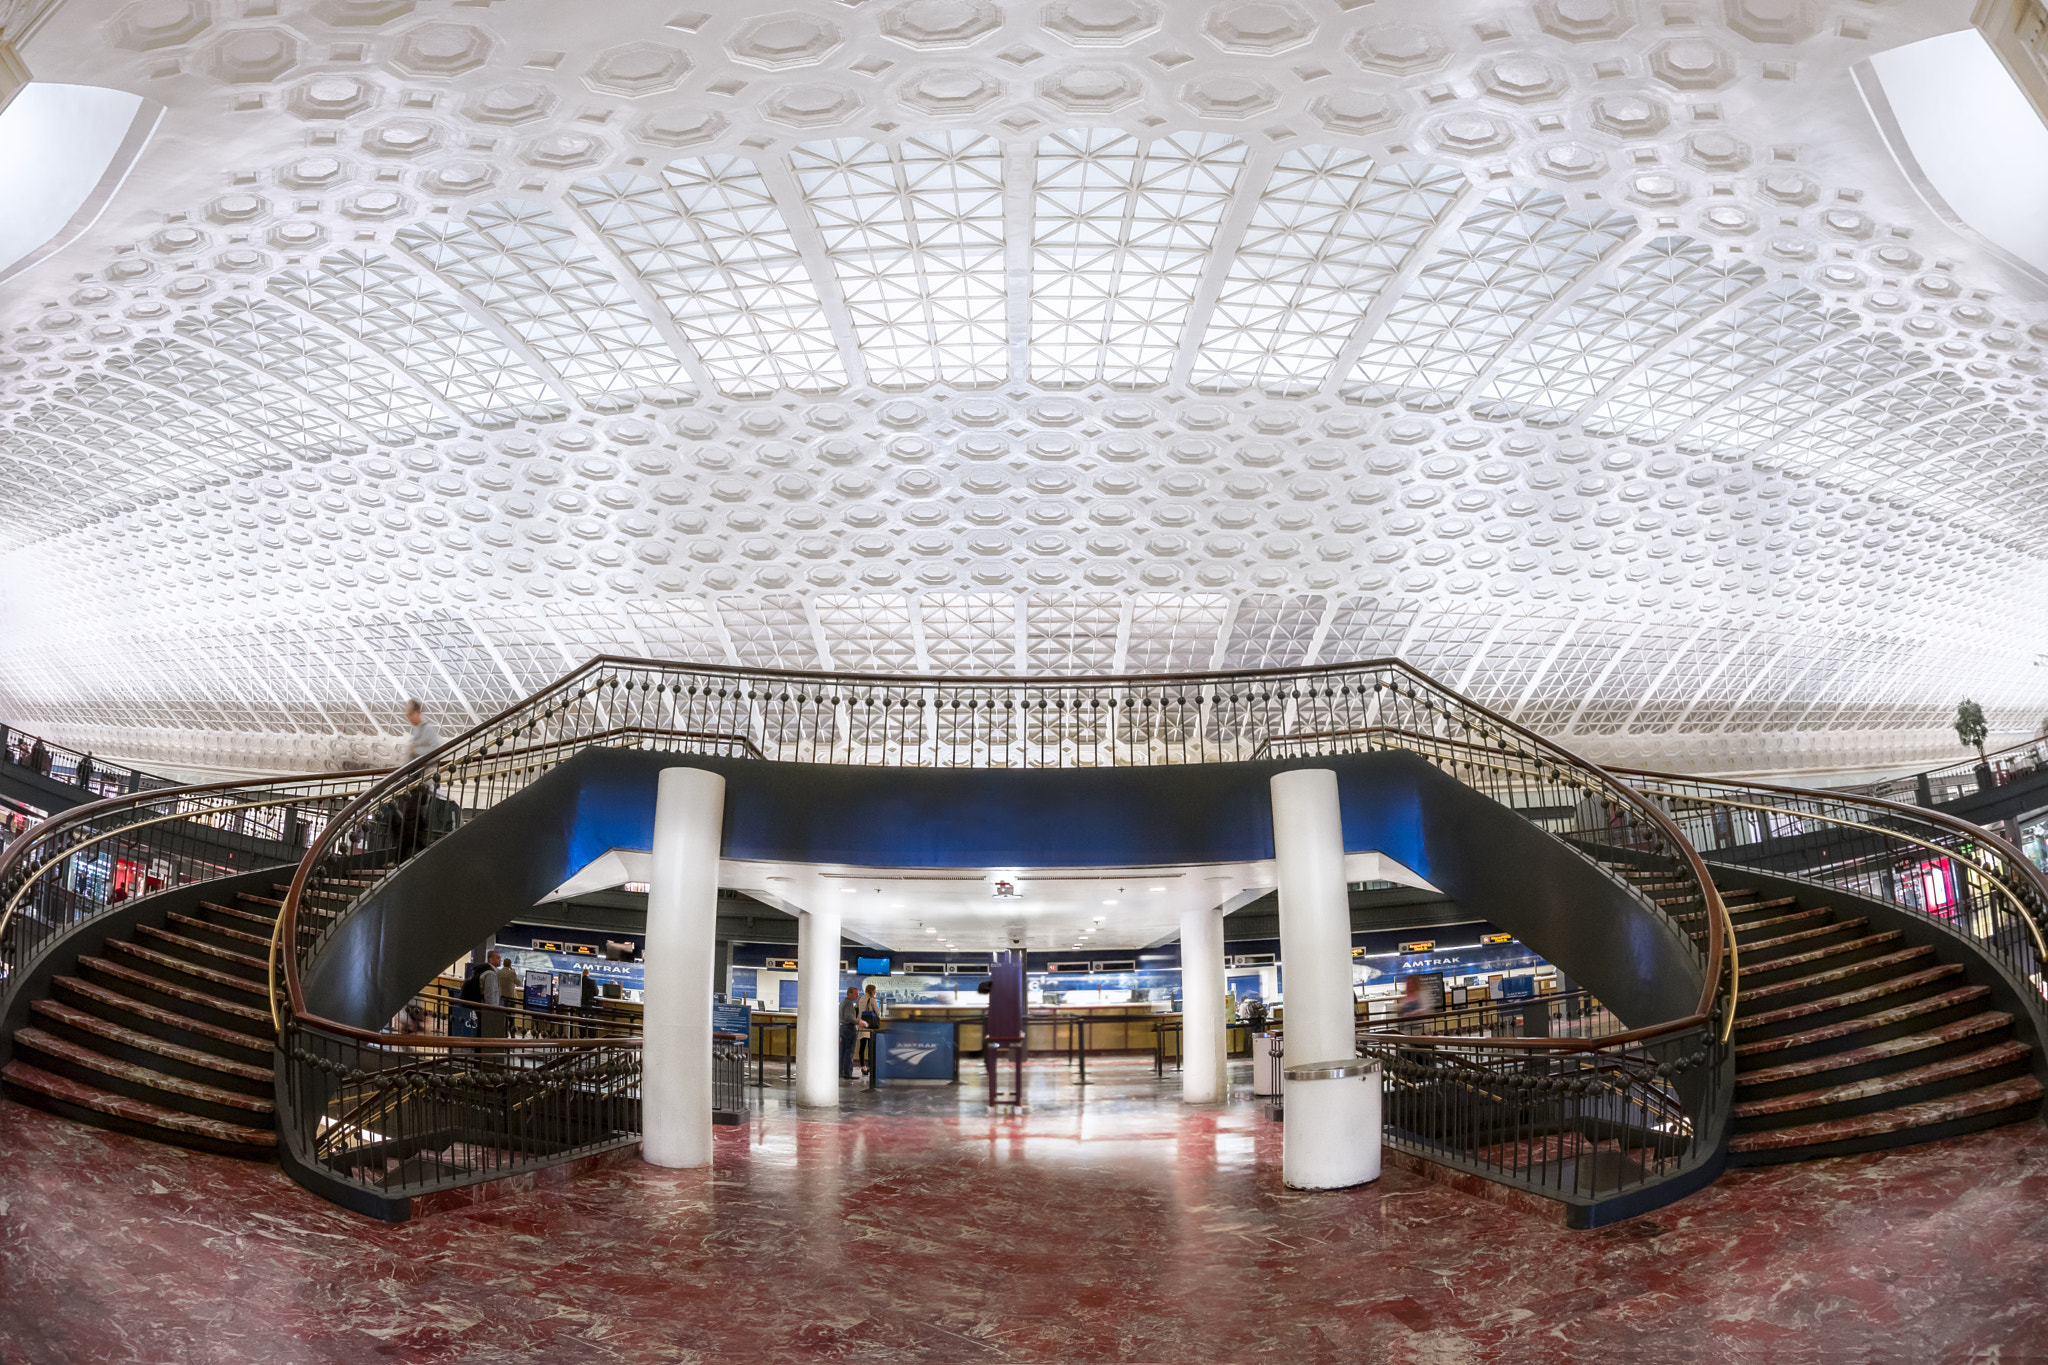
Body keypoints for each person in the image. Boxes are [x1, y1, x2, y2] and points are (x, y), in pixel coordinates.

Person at [857, 983, 884, 1074]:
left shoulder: (861, 999)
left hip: (861, 1024)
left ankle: (863, 1066)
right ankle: (870, 1066)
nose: (875, 991)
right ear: (872, 991)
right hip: (870, 1025)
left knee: (862, 1046)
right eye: (875, 990)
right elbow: (878, 1012)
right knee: (870, 1047)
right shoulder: (872, 999)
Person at [838, 985, 860, 1080]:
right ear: (849, 994)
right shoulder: (849, 1003)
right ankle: (847, 1073)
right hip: (849, 1029)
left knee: (842, 1052)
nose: (857, 996)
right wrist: (859, 1021)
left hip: (842, 1028)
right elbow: (849, 1017)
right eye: (855, 994)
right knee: (849, 1052)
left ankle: (841, 1072)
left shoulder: (843, 1002)